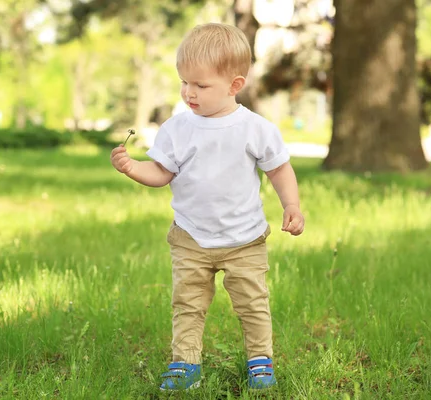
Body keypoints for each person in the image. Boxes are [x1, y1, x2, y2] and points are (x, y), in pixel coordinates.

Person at [110, 23, 304, 392]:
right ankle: (185, 363)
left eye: (200, 85)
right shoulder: (177, 128)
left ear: (234, 85)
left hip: (244, 239)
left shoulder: (255, 128)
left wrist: (291, 205)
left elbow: (279, 169)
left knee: (252, 304)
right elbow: (162, 172)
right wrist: (134, 168)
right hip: (190, 238)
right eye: (184, 82)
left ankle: (259, 360)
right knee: (187, 304)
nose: (189, 93)